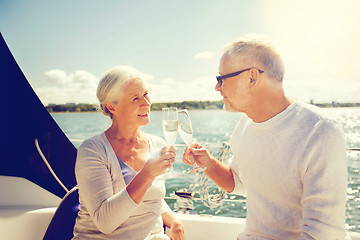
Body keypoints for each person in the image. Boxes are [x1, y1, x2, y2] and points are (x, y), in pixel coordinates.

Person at [183, 34, 349, 239]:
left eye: (221, 79)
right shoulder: (245, 124)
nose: (217, 87)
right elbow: (239, 183)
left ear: (252, 77)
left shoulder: (320, 132)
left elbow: (323, 235)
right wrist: (209, 164)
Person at [73, 66, 184, 240]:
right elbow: (105, 223)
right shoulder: (92, 151)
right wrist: (147, 173)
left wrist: (173, 220)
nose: (146, 103)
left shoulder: (157, 145)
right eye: (135, 98)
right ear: (111, 107)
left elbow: (150, 198)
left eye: (146, 94)